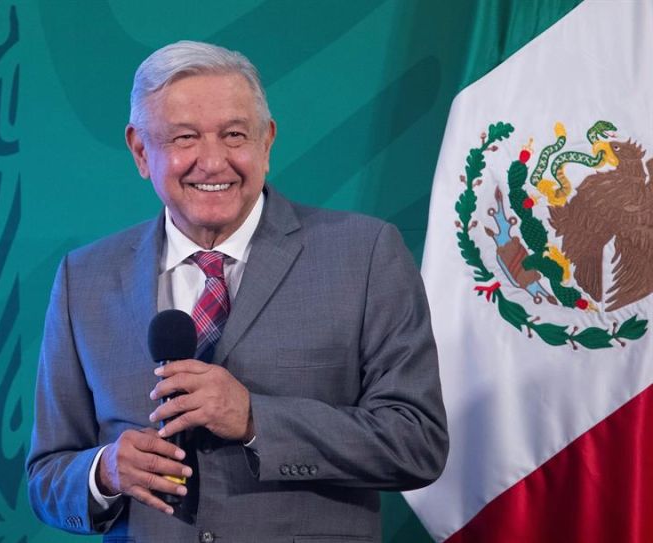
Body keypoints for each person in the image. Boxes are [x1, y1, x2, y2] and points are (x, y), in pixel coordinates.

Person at [26, 40, 448, 542]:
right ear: (141, 151)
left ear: (266, 142)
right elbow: (46, 478)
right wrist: (105, 473)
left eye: (233, 134)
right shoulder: (86, 278)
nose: (212, 162)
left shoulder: (365, 253)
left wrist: (254, 419)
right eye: (184, 137)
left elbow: (416, 442)